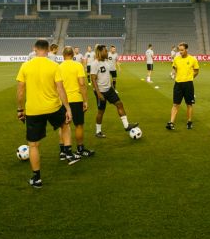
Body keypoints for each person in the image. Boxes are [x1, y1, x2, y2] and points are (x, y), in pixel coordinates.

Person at [16, 39, 79, 189]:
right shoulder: (54, 66)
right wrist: (68, 108)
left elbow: (20, 91)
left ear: (35, 49)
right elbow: (60, 89)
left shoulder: (25, 66)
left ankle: (36, 178)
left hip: (33, 110)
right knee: (65, 125)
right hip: (53, 107)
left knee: (33, 145)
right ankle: (68, 152)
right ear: (48, 50)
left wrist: (20, 109)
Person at [91, 44, 138, 138]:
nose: (107, 52)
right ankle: (98, 131)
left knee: (119, 104)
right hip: (101, 92)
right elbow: (93, 79)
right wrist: (99, 93)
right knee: (101, 112)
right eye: (105, 51)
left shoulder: (106, 62)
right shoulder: (95, 63)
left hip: (109, 90)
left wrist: (112, 87)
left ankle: (126, 125)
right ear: (100, 52)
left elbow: (108, 76)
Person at [58, 46, 95, 158]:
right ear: (73, 55)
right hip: (76, 99)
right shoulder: (78, 65)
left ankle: (63, 151)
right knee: (79, 125)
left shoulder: (58, 67)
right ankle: (80, 149)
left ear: (63, 55)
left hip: (62, 101)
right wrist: (85, 101)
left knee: (63, 126)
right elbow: (82, 84)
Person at [166, 42, 200, 130]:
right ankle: (171, 123)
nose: (180, 52)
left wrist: (190, 77)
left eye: (182, 50)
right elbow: (175, 68)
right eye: (179, 50)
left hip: (188, 84)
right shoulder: (176, 59)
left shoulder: (193, 59)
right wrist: (177, 75)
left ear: (186, 49)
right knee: (175, 104)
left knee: (189, 104)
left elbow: (196, 70)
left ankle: (189, 122)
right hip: (178, 84)